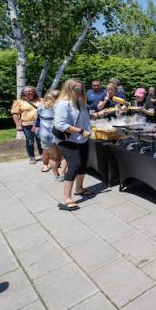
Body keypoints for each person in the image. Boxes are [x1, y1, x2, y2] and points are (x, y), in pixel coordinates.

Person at [54, 79, 99, 211]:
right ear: (69, 89)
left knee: (83, 164)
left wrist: (96, 115)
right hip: (68, 140)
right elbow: (60, 124)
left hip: (82, 139)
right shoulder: (63, 104)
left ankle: (79, 189)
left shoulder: (80, 101)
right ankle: (66, 198)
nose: (80, 91)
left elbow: (83, 117)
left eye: (81, 89)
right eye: (77, 89)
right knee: (74, 165)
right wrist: (80, 131)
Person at [34, 90, 65, 180]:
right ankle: (62, 174)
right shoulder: (59, 107)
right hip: (58, 133)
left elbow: (37, 120)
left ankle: (56, 175)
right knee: (64, 155)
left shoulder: (40, 107)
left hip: (45, 134)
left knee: (52, 157)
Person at [11, 86, 43, 164]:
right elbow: (15, 114)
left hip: (40, 124)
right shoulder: (18, 102)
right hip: (27, 125)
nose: (30, 92)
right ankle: (32, 157)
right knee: (30, 141)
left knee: (41, 141)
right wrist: (18, 125)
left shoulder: (41, 100)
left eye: (32, 91)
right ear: (23, 93)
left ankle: (43, 155)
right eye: (28, 91)